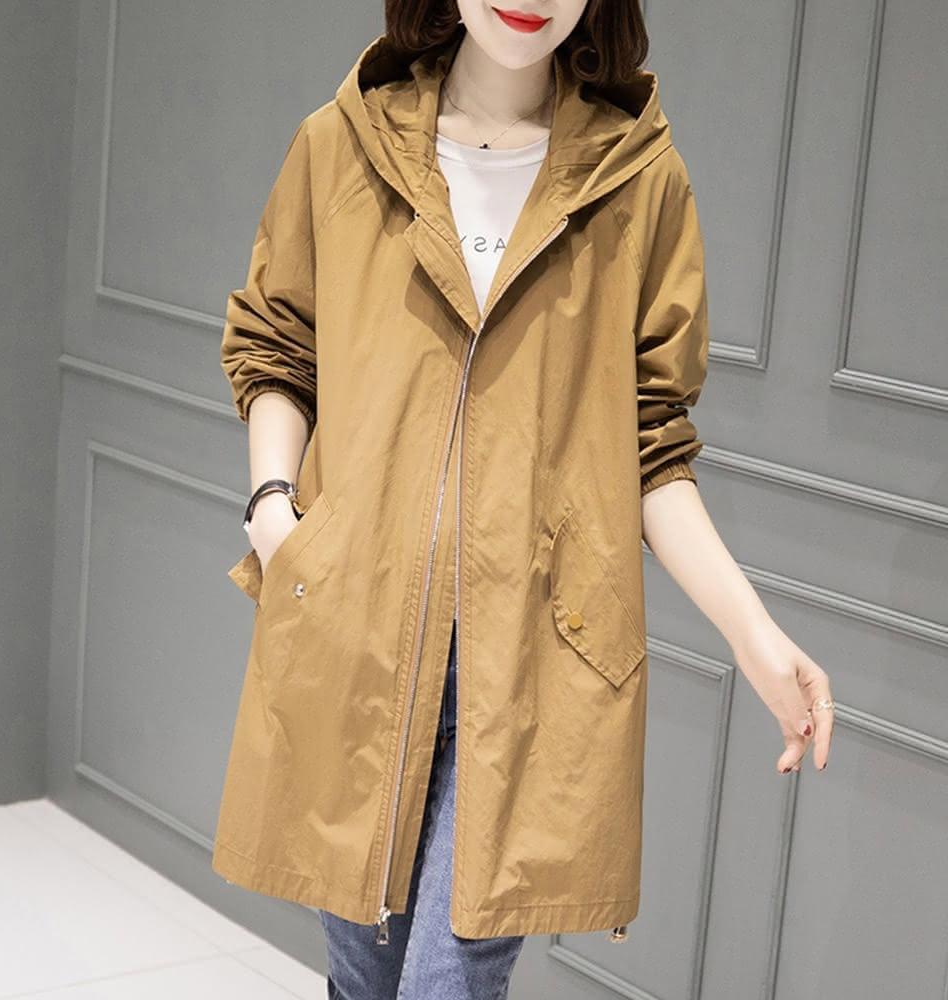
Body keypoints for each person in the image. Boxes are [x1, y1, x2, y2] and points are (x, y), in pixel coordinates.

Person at [211, 2, 836, 998]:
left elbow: (650, 448)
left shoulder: (637, 178)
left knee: (444, 984)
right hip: (353, 630)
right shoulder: (342, 144)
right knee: (361, 981)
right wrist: (274, 508)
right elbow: (277, 347)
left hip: (534, 659)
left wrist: (754, 636)